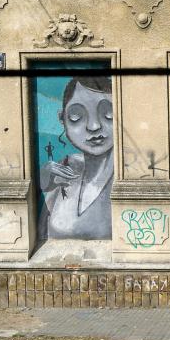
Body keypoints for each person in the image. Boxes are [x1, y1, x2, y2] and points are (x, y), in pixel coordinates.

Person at [39, 75, 113, 240]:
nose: (94, 126)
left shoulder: (128, 174)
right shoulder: (64, 167)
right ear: (62, 119)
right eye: (76, 116)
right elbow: (42, 229)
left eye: (108, 114)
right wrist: (41, 181)